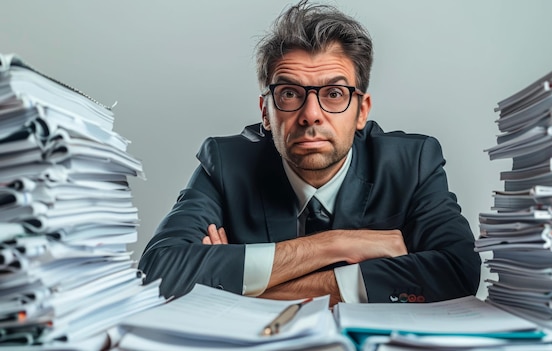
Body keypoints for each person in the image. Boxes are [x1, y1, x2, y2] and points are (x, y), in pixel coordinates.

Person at [138, 0, 481, 306]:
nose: (311, 114)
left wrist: (240, 285)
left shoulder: (412, 163)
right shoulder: (226, 165)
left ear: (362, 111)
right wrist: (337, 245)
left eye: (334, 93)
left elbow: (458, 270)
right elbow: (158, 271)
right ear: (265, 113)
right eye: (289, 93)